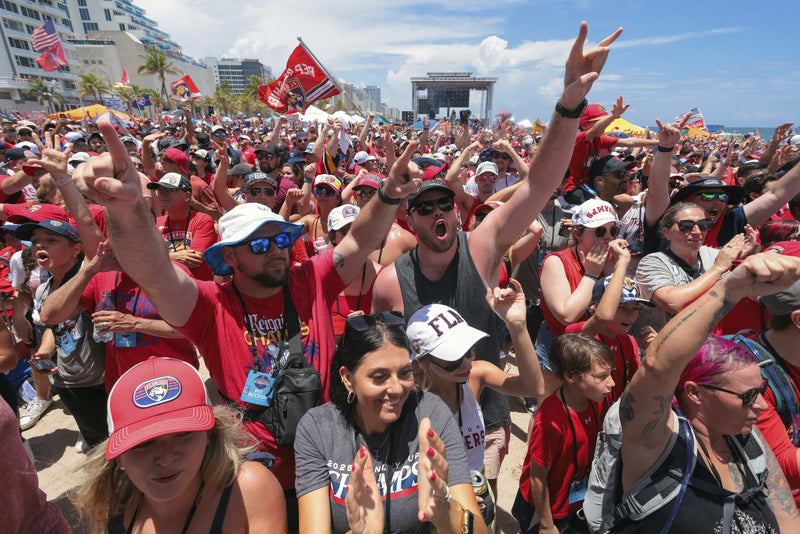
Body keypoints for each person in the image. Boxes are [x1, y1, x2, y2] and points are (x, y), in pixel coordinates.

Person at [70, 120, 423, 530]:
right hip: (251, 470)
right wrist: (128, 210)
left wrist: (388, 195)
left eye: (280, 239)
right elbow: (153, 268)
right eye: (258, 244)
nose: (275, 250)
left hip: (328, 459)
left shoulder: (311, 278)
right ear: (229, 259)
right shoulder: (208, 306)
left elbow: (360, 240)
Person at [374, 22, 626, 499]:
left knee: (482, 494)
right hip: (415, 424)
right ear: (412, 222)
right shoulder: (390, 282)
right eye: (424, 209)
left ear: (455, 207)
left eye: (444, 203)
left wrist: (568, 103)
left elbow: (539, 184)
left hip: (485, 407)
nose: (437, 213)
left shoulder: (482, 245)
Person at [613, 251, 800, 532]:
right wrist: (731, 287)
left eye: (760, 390)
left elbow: (788, 521)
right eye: (748, 396)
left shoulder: (752, 443)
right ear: (695, 393)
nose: (762, 406)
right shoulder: (655, 443)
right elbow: (657, 365)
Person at [294, 312, 486, 534]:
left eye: (405, 372)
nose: (396, 388)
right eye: (379, 376)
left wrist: (446, 513)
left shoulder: (431, 415)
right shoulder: (317, 429)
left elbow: (477, 528)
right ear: (348, 378)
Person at [75, 357, 286, 533]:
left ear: (210, 436)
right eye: (143, 444)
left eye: (184, 434)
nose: (166, 459)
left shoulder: (248, 490)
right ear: (119, 457)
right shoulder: (110, 502)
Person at [406, 286, 554, 525]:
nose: (466, 363)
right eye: (454, 358)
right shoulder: (407, 402)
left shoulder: (476, 374)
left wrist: (516, 325)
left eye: (469, 351)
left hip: (477, 490)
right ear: (422, 362)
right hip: (434, 505)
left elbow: (534, 387)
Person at [19, 219, 107, 450]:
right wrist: (44, 353)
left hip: (105, 377)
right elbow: (53, 327)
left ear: (75, 250)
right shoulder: (43, 289)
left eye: (51, 240)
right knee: (98, 440)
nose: (39, 246)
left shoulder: (92, 278)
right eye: (35, 241)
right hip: (70, 381)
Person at [514, 333, 615, 534]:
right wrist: (545, 524)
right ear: (570, 376)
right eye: (602, 376)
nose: (611, 383)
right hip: (543, 507)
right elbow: (537, 478)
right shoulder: (550, 421)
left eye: (611, 373)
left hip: (572, 498)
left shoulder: (597, 399)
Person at [635, 202, 753, 334]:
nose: (697, 232)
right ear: (667, 233)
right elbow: (672, 303)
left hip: (708, 344)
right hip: (665, 346)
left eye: (703, 225)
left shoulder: (715, 255)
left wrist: (742, 263)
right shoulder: (652, 262)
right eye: (686, 226)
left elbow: (746, 295)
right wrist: (719, 268)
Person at [537, 198, 622, 367]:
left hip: (597, 349)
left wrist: (616, 270)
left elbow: (624, 311)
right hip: (559, 349)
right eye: (600, 231)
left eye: (614, 230)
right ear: (577, 233)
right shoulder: (556, 262)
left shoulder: (612, 260)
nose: (608, 237)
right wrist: (591, 274)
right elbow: (567, 315)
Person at [147, 173, 218, 281]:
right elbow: (144, 258)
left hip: (197, 288)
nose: (161, 194)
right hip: (167, 287)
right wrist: (173, 257)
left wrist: (159, 258)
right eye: (159, 190)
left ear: (187, 196)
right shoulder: (156, 223)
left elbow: (194, 259)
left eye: (168, 190)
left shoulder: (202, 220)